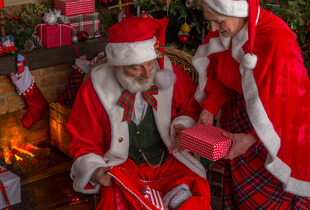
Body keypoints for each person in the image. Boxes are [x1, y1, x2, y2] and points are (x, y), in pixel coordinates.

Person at [192, 0, 310, 209]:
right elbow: (218, 72)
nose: (213, 27)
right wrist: (210, 108)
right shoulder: (229, 30)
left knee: (268, 198)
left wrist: (254, 137)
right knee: (239, 192)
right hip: (238, 118)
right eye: (210, 20)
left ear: (238, 10)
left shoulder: (277, 38)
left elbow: (289, 104)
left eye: (218, 20)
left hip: (276, 129)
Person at [66, 16, 211, 209]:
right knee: (115, 201)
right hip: (124, 166)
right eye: (136, 67)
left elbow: (192, 107)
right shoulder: (96, 87)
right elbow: (83, 138)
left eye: (150, 64)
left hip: (169, 161)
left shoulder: (167, 73)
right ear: (118, 65)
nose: (147, 73)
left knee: (195, 190)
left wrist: (183, 125)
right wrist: (94, 168)